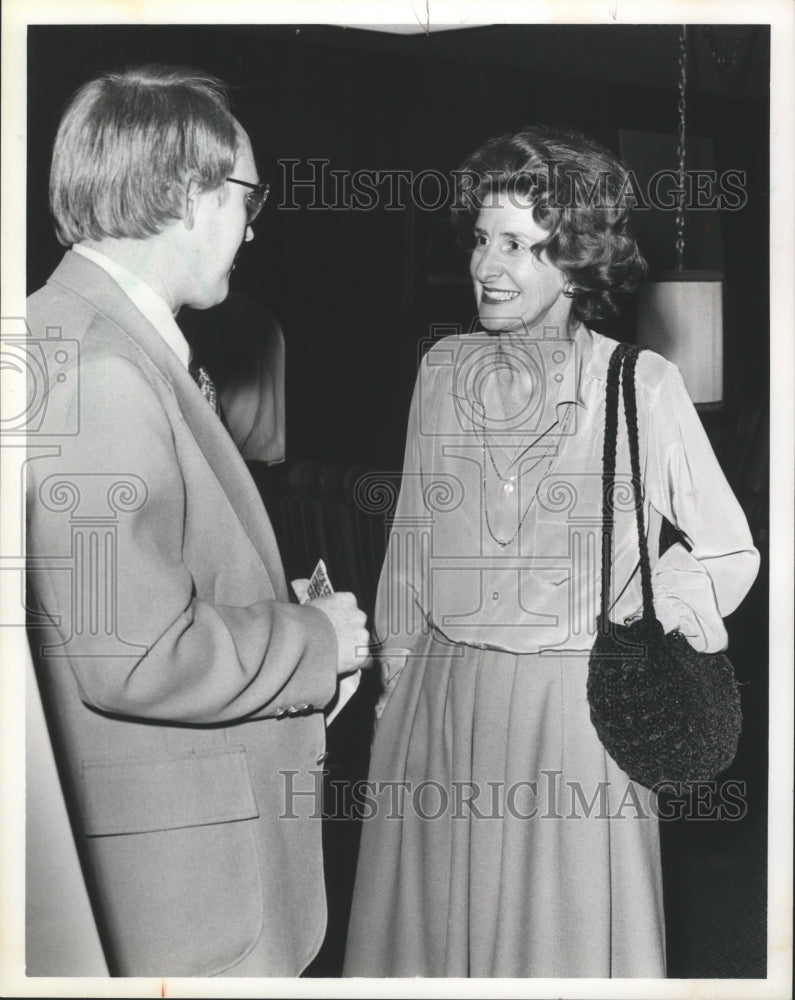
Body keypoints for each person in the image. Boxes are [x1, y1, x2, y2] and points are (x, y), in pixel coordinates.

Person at [343, 126, 759, 977]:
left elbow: (726, 550)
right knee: (429, 948)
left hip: (572, 715)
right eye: (480, 238)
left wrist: (652, 601)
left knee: (559, 952)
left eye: (519, 247)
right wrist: (394, 678)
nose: (485, 266)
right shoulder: (442, 369)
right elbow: (412, 541)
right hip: (440, 698)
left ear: (575, 265)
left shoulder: (639, 385)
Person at [25, 64, 370, 977]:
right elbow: (131, 654)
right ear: (187, 195)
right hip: (190, 892)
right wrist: (312, 640)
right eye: (245, 200)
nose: (251, 230)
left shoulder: (57, 331)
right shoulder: (101, 372)